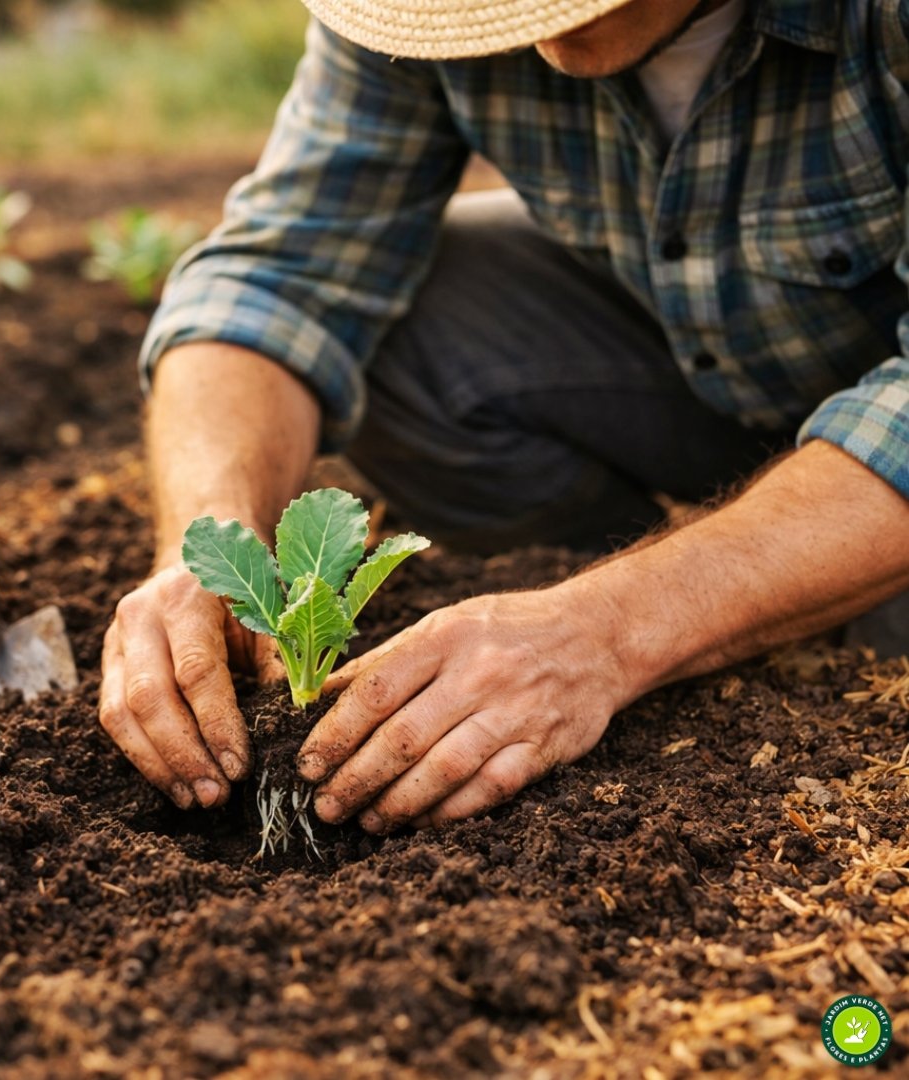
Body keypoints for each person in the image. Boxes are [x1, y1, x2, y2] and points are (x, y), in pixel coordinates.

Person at [99, 0, 909, 835]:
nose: (535, 27)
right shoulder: (419, 14)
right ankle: (713, 580)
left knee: (885, 645)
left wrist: (606, 630)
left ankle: (781, 592)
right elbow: (278, 275)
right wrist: (206, 541)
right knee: (410, 315)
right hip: (715, 371)